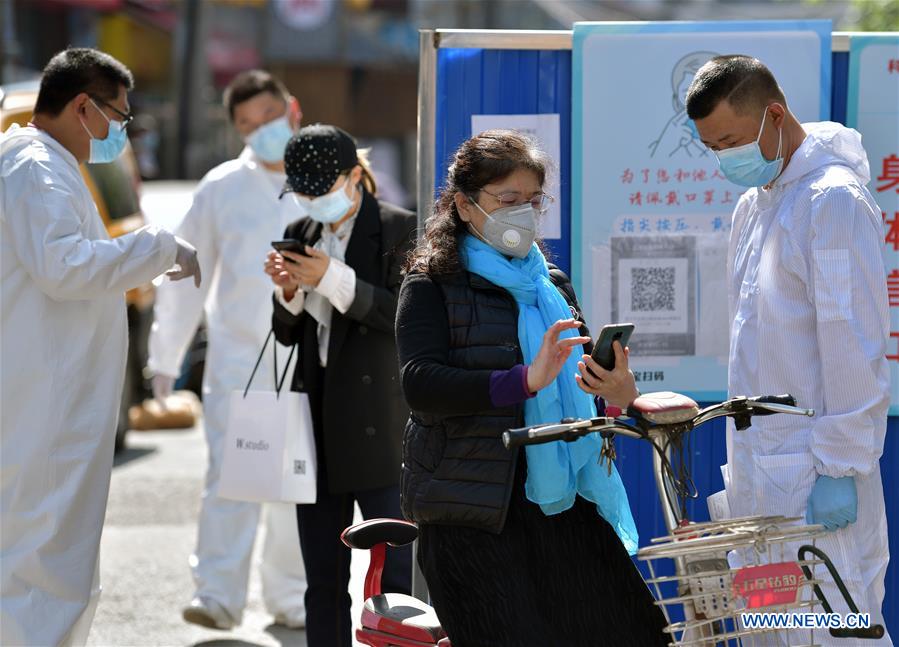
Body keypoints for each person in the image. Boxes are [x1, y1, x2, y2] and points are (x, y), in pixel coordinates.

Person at [395, 130, 669, 646]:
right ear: (463, 204)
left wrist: (614, 387)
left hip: (563, 501)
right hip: (474, 515)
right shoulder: (431, 283)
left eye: (532, 200)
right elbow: (421, 386)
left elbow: (579, 380)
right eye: (507, 199)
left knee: (635, 632)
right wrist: (523, 380)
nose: (522, 212)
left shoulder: (552, 284)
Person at [686, 55, 891, 644]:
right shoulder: (755, 206)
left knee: (834, 632)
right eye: (710, 147)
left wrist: (842, 467)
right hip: (762, 478)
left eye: (729, 140)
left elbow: (853, 343)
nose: (724, 158)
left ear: (774, 113)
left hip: (817, 478)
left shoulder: (833, 201)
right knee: (772, 633)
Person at [0, 48, 200, 647]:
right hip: (48, 393)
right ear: (83, 106)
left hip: (46, 386)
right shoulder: (36, 166)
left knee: (42, 544)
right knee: (47, 549)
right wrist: (158, 246)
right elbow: (63, 267)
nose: (121, 130)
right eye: (119, 115)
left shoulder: (38, 161)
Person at [147, 70, 308, 630]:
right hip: (240, 360)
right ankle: (218, 593)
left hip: (309, 360)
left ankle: (292, 597)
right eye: (247, 123)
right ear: (235, 128)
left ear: (291, 108)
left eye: (268, 116)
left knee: (295, 483)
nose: (260, 129)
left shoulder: (327, 177)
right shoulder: (220, 188)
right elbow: (188, 274)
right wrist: (165, 356)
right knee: (231, 479)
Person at [264, 124, 416, 647]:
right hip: (318, 427)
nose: (311, 201)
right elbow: (288, 336)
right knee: (322, 583)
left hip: (383, 428)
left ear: (356, 176)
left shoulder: (402, 229)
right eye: (302, 192)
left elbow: (404, 317)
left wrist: (329, 277)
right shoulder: (303, 230)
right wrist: (287, 293)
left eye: (319, 190)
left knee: (396, 583)